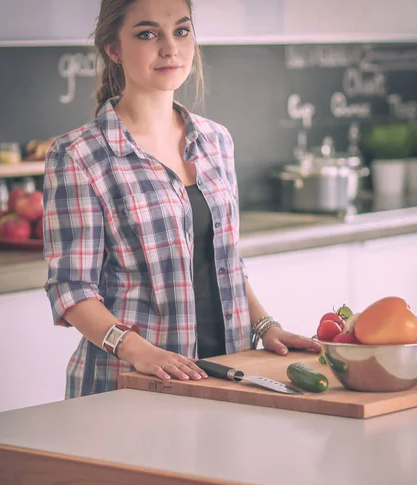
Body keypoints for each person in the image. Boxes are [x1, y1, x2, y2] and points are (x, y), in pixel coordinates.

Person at [43, 0, 319, 399]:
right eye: (147, 34)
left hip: (231, 374)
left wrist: (265, 326)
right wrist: (139, 351)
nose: (170, 48)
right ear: (114, 49)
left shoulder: (215, 141)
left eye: (182, 31)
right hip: (129, 387)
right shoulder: (80, 155)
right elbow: (71, 289)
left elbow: (225, 262)